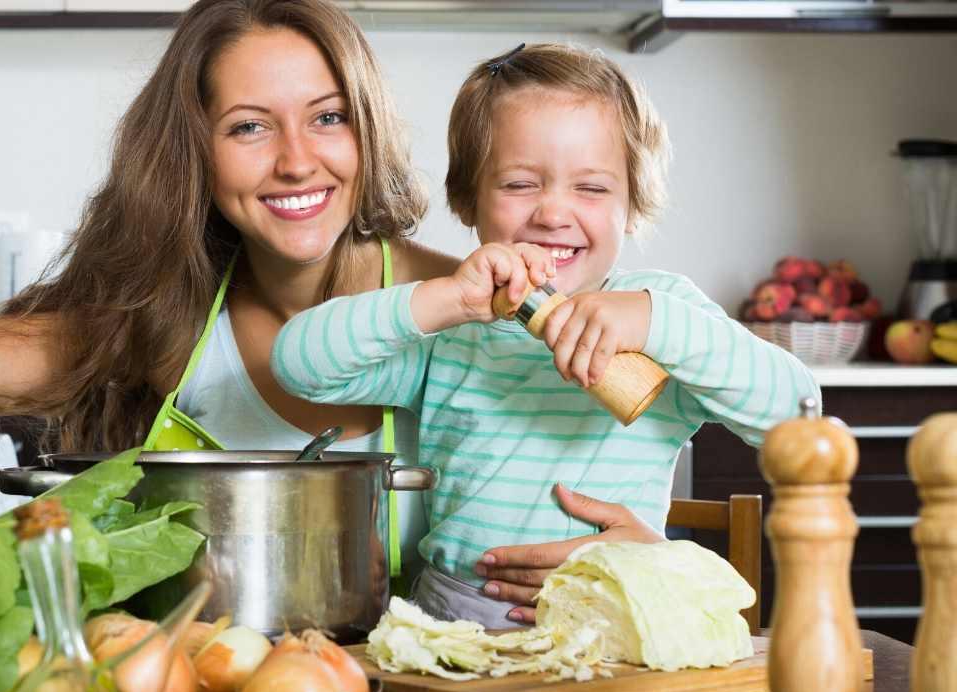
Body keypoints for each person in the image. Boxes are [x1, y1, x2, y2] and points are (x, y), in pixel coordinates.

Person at [0, 0, 469, 585]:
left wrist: (574, 551)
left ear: (368, 130)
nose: (297, 160)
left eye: (328, 117)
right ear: (194, 152)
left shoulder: (461, 308)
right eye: (250, 128)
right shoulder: (158, 312)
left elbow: (563, 470)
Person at [270, 42, 820, 627]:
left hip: (614, 616)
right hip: (452, 619)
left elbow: (797, 418)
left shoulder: (661, 317)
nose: (554, 214)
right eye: (520, 184)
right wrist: (444, 298)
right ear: (467, 200)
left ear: (632, 202)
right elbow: (300, 365)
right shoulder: (457, 331)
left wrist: (659, 321)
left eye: (591, 188)